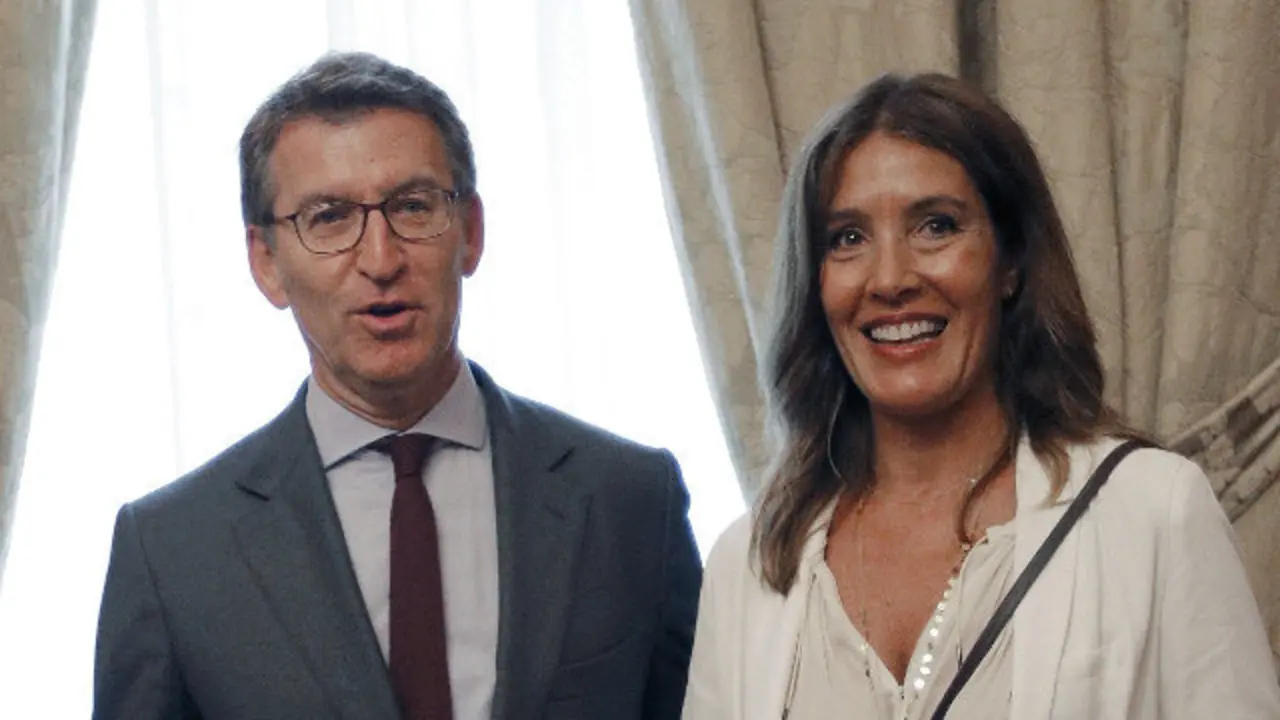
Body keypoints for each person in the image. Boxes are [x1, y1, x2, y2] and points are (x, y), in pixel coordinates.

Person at [93, 51, 701, 720]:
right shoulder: (174, 548)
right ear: (266, 263)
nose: (381, 260)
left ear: (469, 232)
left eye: (413, 207)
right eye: (328, 218)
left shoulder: (629, 498)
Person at [683, 72, 1280, 719]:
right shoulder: (750, 564)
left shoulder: (1152, 510)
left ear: (1011, 260)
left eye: (936, 226)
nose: (890, 278)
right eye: (847, 238)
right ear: (816, 282)